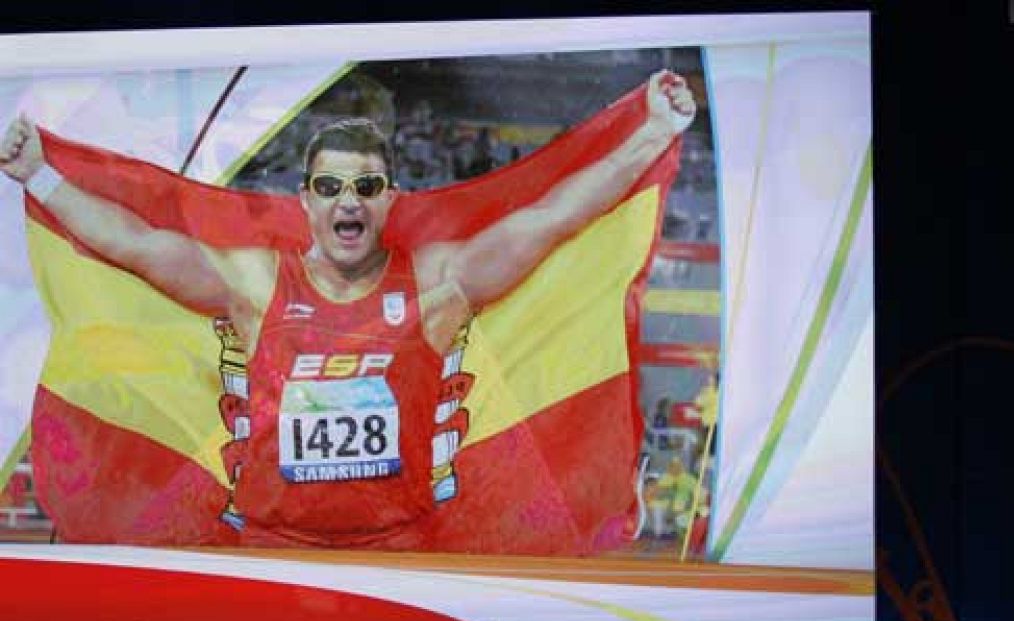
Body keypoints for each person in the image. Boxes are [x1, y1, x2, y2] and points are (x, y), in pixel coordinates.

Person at [0, 71, 696, 549]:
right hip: (271, 547)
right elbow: (137, 245)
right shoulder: (256, 283)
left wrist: (651, 133)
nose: (348, 201)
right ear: (305, 200)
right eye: (330, 186)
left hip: (403, 552)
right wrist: (41, 175)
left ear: (390, 198)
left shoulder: (436, 283)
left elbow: (550, 219)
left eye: (366, 185)